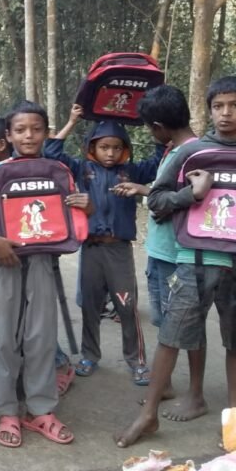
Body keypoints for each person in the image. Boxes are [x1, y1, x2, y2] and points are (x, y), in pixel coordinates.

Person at [115, 77, 236, 448]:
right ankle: (148, 415)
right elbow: (157, 200)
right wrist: (192, 193)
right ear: (210, 108)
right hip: (195, 260)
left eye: (234, 105)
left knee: (234, 341)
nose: (227, 114)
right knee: (170, 336)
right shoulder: (192, 154)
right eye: (219, 106)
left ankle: (232, 420)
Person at [0, 100, 90, 448]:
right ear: (7, 135)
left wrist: (87, 204)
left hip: (43, 261)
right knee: (6, 336)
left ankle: (41, 410)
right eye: (20, 130)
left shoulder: (58, 169)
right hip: (5, 261)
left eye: (36, 129)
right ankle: (8, 410)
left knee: (40, 335)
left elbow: (76, 214)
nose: (29, 135)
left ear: (46, 132)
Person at [45, 103, 164, 386]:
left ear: (124, 149)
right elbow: (52, 153)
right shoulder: (82, 169)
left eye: (115, 147)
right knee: (90, 305)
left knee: (127, 306)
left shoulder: (131, 171)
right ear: (92, 148)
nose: (109, 153)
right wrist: (72, 120)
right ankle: (90, 355)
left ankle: (136, 360)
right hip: (91, 249)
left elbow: (160, 159)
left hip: (119, 250)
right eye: (103, 147)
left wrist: (153, 124)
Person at [113, 86, 198, 411]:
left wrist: (145, 191)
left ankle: (192, 390)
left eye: (150, 126)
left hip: (177, 251)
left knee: (184, 324)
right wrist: (144, 188)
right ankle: (167, 384)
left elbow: (179, 198)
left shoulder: (190, 152)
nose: (150, 132)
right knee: (164, 321)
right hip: (162, 249)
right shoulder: (174, 150)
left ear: (159, 126)